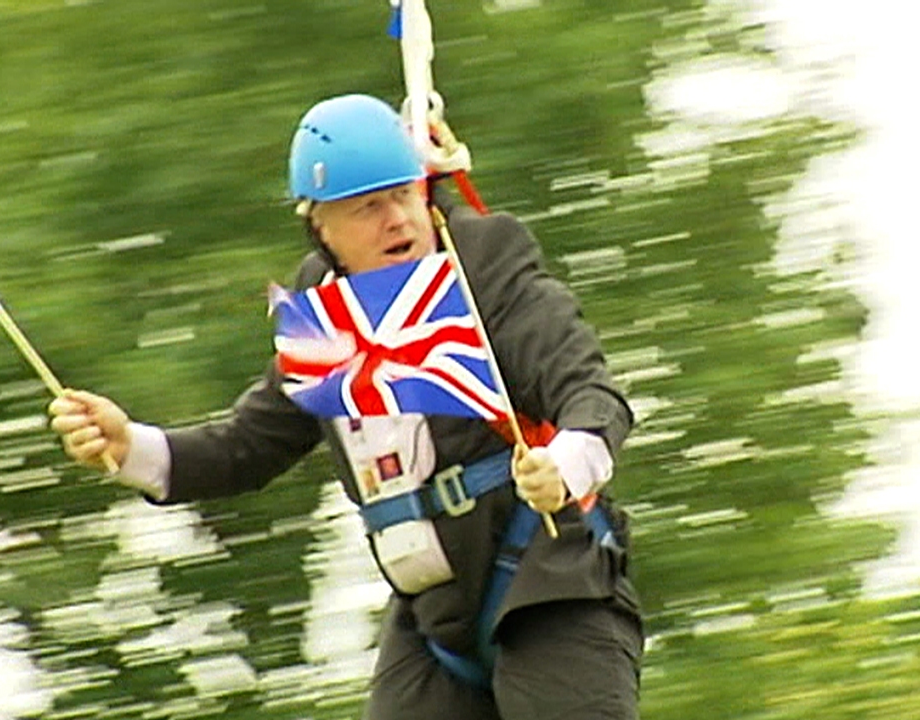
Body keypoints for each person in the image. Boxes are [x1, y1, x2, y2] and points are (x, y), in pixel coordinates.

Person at [49, 93, 641, 720]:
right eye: (369, 208)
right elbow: (246, 447)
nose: (398, 221)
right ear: (321, 228)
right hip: (431, 624)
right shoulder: (326, 320)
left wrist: (566, 465)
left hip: (548, 589)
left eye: (406, 196)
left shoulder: (489, 267)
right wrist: (128, 446)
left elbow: (591, 394)